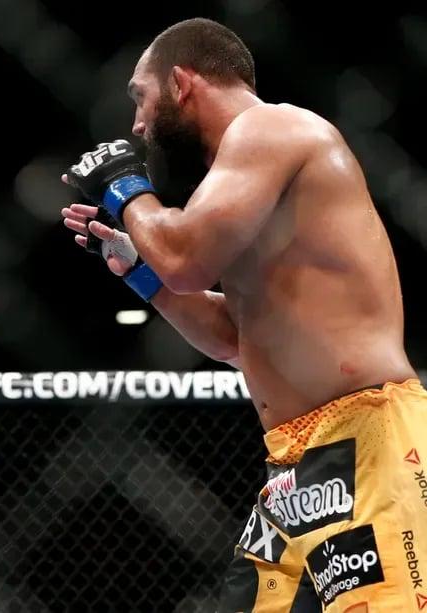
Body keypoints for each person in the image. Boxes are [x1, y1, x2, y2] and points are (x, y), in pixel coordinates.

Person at [61, 17, 427, 612]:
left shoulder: (270, 129)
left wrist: (125, 188)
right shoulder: (243, 187)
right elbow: (232, 336)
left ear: (181, 83)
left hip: (368, 443)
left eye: (140, 97)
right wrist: (136, 269)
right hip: (292, 468)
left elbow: (183, 256)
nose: (136, 123)